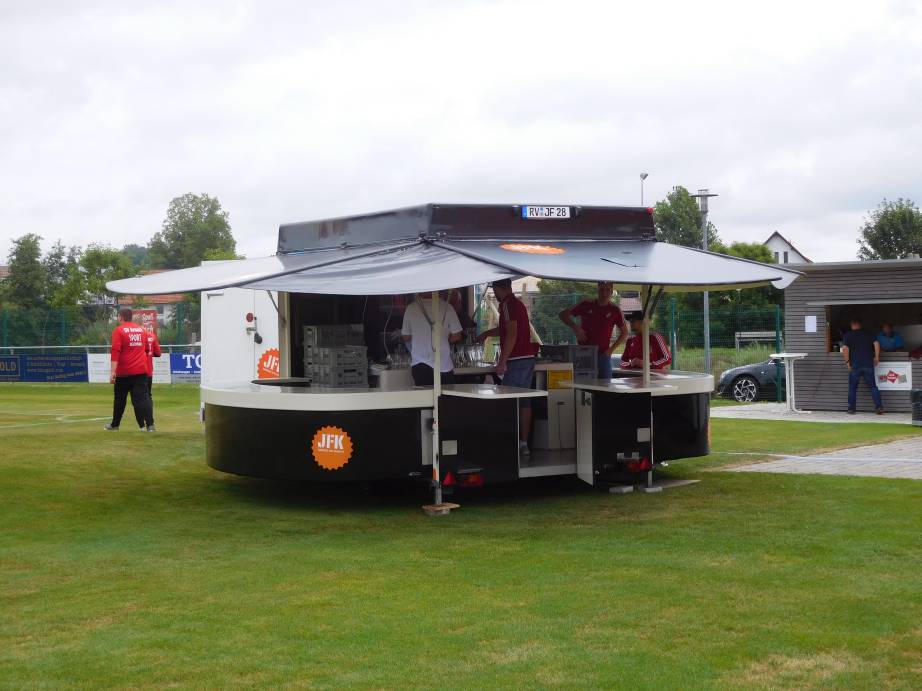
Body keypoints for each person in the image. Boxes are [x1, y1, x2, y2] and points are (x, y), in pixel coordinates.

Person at [477, 279, 536, 456]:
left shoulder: (508, 304)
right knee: (524, 402)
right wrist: (487, 333)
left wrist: (502, 361)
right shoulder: (517, 304)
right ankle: (523, 443)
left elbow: (512, 332)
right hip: (527, 359)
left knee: (509, 401)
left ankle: (509, 443)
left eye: (495, 289)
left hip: (516, 360)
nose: (494, 294)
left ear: (500, 288)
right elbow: (506, 330)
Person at [558, 281, 628, 378]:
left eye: (607, 290)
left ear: (612, 292)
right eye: (601, 290)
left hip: (603, 355)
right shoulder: (586, 304)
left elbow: (625, 333)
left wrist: (610, 351)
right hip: (584, 354)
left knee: (606, 384)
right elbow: (563, 314)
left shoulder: (615, 310)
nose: (604, 293)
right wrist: (576, 327)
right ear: (597, 290)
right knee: (584, 384)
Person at [105, 308, 154, 431]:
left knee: (120, 399)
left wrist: (113, 372)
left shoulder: (118, 330)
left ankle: (115, 425)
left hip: (124, 372)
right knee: (143, 398)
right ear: (131, 317)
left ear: (121, 317)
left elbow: (115, 351)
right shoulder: (142, 331)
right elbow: (146, 350)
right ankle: (150, 425)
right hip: (141, 371)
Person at [402, 292, 463, 386]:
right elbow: (457, 335)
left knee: (425, 395)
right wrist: (444, 339)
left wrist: (419, 335)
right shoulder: (447, 307)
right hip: (443, 364)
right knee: (446, 395)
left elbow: (406, 337)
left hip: (420, 364)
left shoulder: (411, 308)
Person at [842, 316, 883, 414]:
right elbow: (876, 343)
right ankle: (879, 407)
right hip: (868, 364)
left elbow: (845, 349)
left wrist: (847, 362)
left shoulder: (847, 335)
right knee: (873, 386)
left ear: (851, 324)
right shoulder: (868, 333)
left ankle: (851, 409)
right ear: (860, 324)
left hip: (855, 365)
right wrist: (877, 357)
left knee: (852, 388)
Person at [141, 325, 162, 430]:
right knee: (147, 396)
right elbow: (158, 353)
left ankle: (143, 423)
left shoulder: (136, 335)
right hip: (148, 372)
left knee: (137, 397)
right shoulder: (152, 336)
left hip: (137, 371)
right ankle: (150, 423)